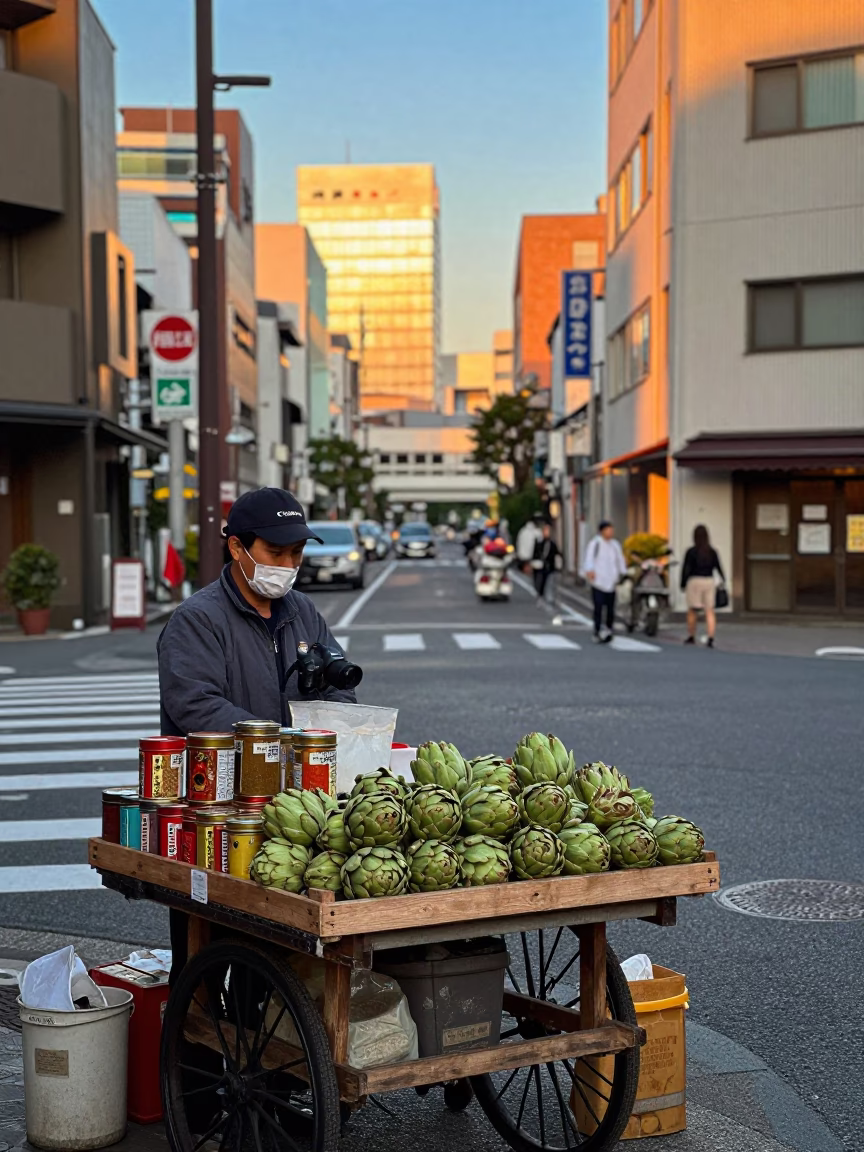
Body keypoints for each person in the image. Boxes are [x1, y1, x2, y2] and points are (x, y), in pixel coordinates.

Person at [157, 487, 357, 987]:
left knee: (277, 955)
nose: (288, 565)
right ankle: (196, 1059)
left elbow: (338, 687)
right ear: (237, 548)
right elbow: (195, 706)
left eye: (296, 553)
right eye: (276, 552)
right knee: (208, 955)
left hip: (296, 809)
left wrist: (339, 726)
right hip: (218, 811)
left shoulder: (303, 611)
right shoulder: (197, 620)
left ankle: (269, 1049)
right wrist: (282, 742)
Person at [681, 524, 725, 648]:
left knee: (692, 610)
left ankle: (691, 636)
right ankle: (710, 637)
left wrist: (683, 583)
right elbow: (718, 567)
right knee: (709, 610)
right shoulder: (712, 551)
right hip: (708, 581)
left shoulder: (691, 552)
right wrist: (723, 580)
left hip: (694, 581)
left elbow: (686, 569)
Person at [583, 520, 627, 643]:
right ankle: (597, 630)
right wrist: (590, 570)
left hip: (611, 581)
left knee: (610, 609)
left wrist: (623, 572)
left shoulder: (615, 545)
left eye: (611, 530)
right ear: (602, 531)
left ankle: (609, 629)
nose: (610, 532)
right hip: (598, 581)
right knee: (598, 607)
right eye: (608, 530)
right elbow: (589, 558)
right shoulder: (595, 543)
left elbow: (620, 560)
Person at [532, 522, 561, 604]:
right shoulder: (539, 543)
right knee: (541, 581)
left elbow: (557, 554)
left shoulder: (552, 544)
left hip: (550, 566)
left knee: (551, 582)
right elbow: (535, 554)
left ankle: (550, 597)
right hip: (541, 566)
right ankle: (541, 595)